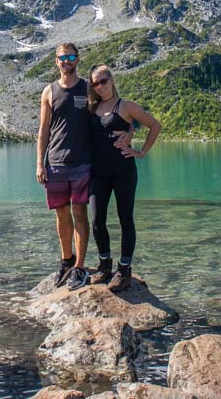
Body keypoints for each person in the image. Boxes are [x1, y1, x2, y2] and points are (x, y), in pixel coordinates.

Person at [36, 43, 131, 290]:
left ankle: (79, 266)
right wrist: (40, 163)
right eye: (61, 57)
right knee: (61, 215)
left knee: (80, 214)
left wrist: (129, 132)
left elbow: (115, 110)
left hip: (82, 164)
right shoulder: (49, 91)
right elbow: (43, 130)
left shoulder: (88, 88)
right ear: (56, 61)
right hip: (55, 162)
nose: (66, 61)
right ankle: (65, 261)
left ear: (77, 60)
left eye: (70, 57)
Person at [86, 64, 161, 292]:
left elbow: (155, 126)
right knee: (97, 220)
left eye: (104, 81)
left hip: (123, 171)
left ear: (112, 80)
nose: (100, 86)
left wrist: (140, 152)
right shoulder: (92, 107)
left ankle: (124, 269)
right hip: (98, 172)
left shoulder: (125, 106)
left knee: (125, 218)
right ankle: (105, 264)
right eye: (95, 83)